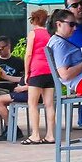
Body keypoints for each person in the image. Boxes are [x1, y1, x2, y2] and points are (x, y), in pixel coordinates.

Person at [23, 9, 57, 145]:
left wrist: (26, 73)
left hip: (36, 70)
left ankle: (35, 134)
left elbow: (29, 54)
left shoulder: (33, 34)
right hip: (50, 71)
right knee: (49, 105)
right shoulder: (51, 34)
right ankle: (50, 135)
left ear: (34, 20)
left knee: (32, 104)